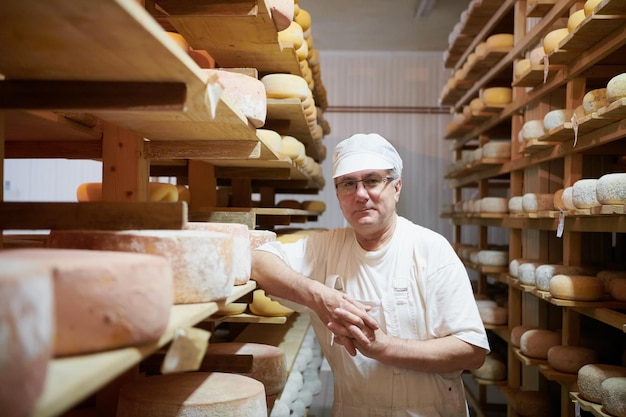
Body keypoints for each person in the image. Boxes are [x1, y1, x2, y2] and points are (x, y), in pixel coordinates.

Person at [251, 133, 490, 417]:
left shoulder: (430, 249)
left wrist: (385, 348)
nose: (360, 194)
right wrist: (318, 296)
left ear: (396, 187)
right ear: (338, 194)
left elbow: (472, 351)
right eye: (348, 184)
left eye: (372, 180)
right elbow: (257, 261)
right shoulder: (326, 247)